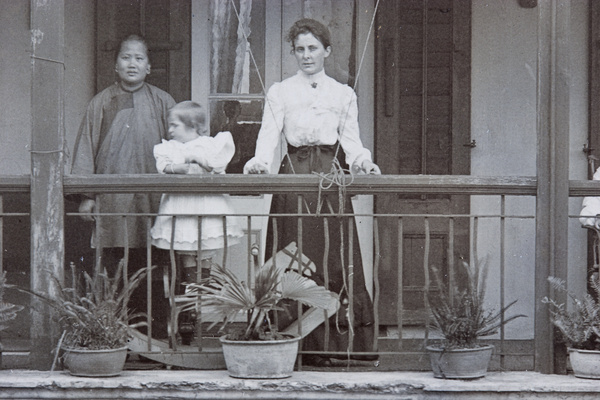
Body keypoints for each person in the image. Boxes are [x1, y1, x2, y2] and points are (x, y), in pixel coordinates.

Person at [244, 18, 381, 366]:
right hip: (293, 179)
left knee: (335, 259)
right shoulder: (280, 91)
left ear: (326, 51)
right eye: (300, 49)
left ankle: (339, 346)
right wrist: (259, 162)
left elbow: (352, 142)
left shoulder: (342, 94)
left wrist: (364, 162)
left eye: (313, 49)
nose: (306, 55)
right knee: (294, 257)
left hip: (331, 180)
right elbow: (268, 136)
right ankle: (292, 344)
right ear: (294, 53)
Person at [70, 34, 176, 337]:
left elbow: (182, 146)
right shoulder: (101, 103)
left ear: (148, 67)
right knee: (113, 269)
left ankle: (155, 338)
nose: (132, 63)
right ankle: (113, 336)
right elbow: (86, 149)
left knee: (153, 267)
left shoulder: (163, 102)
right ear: (116, 65)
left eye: (139, 58)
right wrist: (87, 196)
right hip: (112, 202)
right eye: (126, 57)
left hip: (153, 201)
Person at [150, 101, 243, 275]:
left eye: (175, 125)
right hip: (181, 204)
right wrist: (176, 168)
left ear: (192, 125)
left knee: (205, 246)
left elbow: (218, 165)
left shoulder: (209, 145)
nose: (170, 130)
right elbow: (162, 165)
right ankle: (192, 290)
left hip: (206, 204)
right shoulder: (169, 148)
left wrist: (201, 160)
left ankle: (204, 288)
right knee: (186, 245)